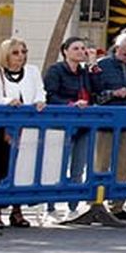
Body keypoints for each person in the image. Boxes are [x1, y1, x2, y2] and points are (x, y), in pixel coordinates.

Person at [0, 36, 44, 230]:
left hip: (27, 125)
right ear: (6, 55)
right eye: (16, 52)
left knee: (22, 167)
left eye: (23, 52)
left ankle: (17, 210)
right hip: (3, 126)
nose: (21, 56)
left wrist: (39, 101)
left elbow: (40, 91)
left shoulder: (32, 71)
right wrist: (7, 101)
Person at [93, 32, 126, 220]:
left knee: (123, 165)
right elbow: (95, 95)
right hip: (106, 121)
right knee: (101, 163)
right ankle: (95, 203)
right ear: (116, 49)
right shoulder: (102, 65)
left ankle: (117, 205)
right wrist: (113, 93)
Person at [43, 36, 97, 203]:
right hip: (61, 124)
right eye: (76, 48)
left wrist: (92, 65)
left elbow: (96, 90)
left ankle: (73, 206)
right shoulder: (56, 70)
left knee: (78, 167)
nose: (81, 51)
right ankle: (50, 205)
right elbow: (50, 95)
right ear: (65, 51)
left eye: (83, 48)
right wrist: (71, 104)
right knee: (57, 166)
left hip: (83, 124)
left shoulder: (84, 72)